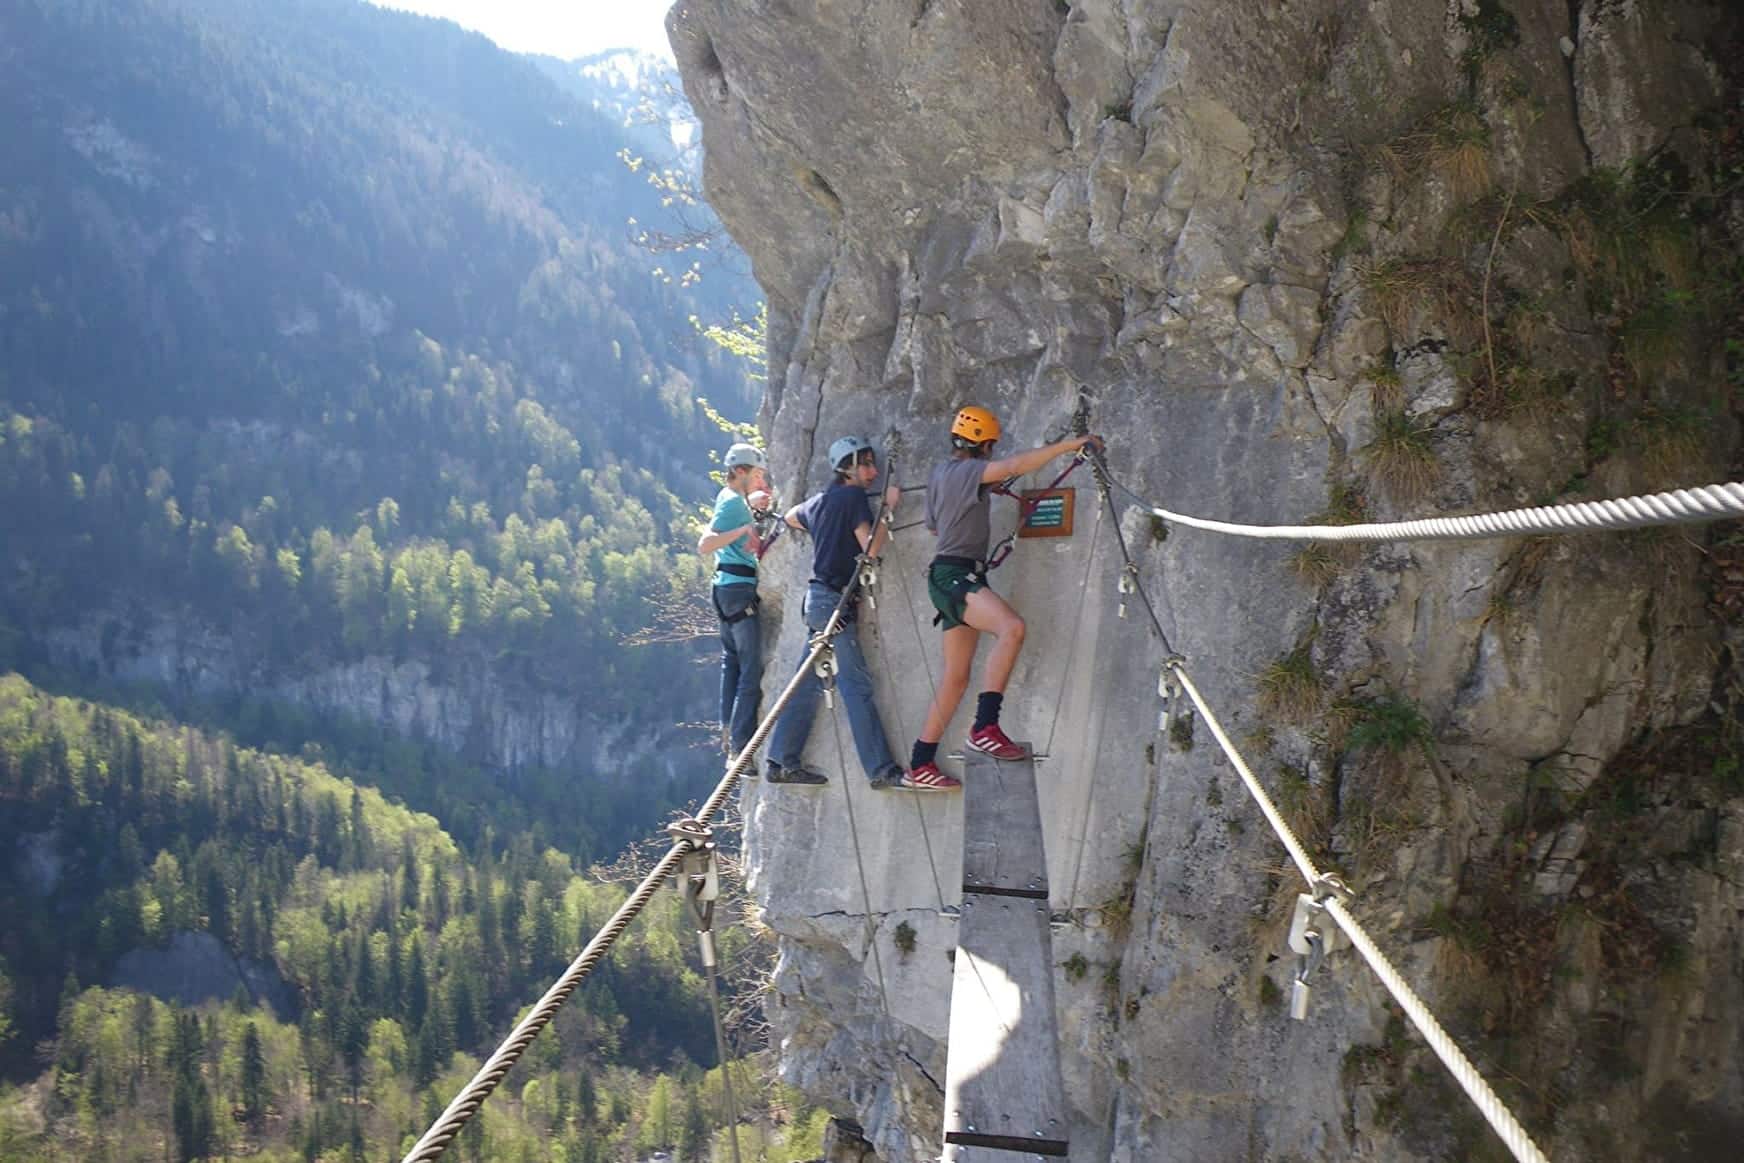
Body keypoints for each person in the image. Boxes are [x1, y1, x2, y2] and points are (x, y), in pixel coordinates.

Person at [906, 406, 1104, 788]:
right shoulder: (969, 472)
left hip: (948, 574)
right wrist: (1072, 445)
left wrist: (976, 494)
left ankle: (920, 762)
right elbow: (1017, 465)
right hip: (955, 575)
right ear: (985, 445)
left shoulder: (942, 474)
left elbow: (934, 526)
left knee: (955, 678)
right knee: (1011, 627)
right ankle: (985, 727)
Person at [763, 436, 925, 790]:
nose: (873, 471)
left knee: (807, 683)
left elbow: (792, 517)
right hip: (833, 602)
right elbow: (870, 548)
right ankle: (881, 770)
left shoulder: (822, 500)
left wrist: (826, 517)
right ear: (847, 468)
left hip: (818, 600)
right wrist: (887, 510)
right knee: (856, 686)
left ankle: (782, 761)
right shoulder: (852, 498)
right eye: (865, 464)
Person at [697, 442, 773, 759]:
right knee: (750, 671)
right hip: (739, 590)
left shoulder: (729, 497)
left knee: (732, 665)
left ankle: (727, 730)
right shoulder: (733, 504)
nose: (760, 481)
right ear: (740, 472)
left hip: (724, 588)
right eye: (756, 475)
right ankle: (742, 747)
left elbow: (737, 507)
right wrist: (746, 526)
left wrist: (751, 505)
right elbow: (705, 544)